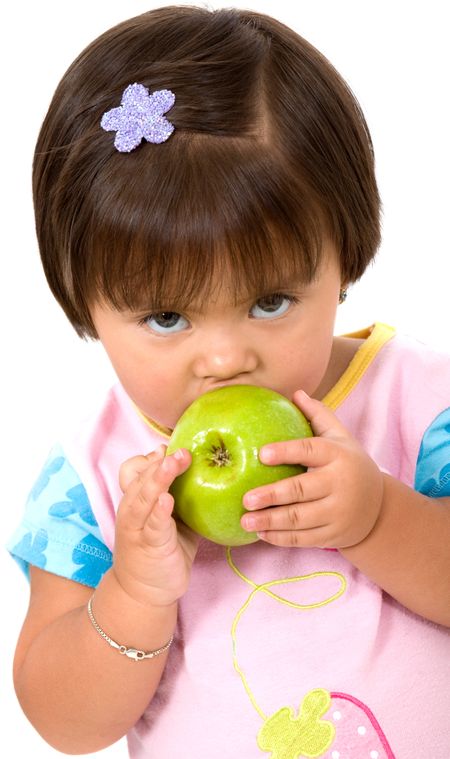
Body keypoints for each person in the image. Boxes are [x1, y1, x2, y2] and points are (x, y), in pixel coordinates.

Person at [7, 5, 450, 758]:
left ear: (345, 256)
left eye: (270, 302)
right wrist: (136, 594)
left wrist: (377, 517)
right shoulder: (96, 475)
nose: (223, 359)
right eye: (168, 315)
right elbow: (64, 722)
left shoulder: (417, 402)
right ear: (85, 302)